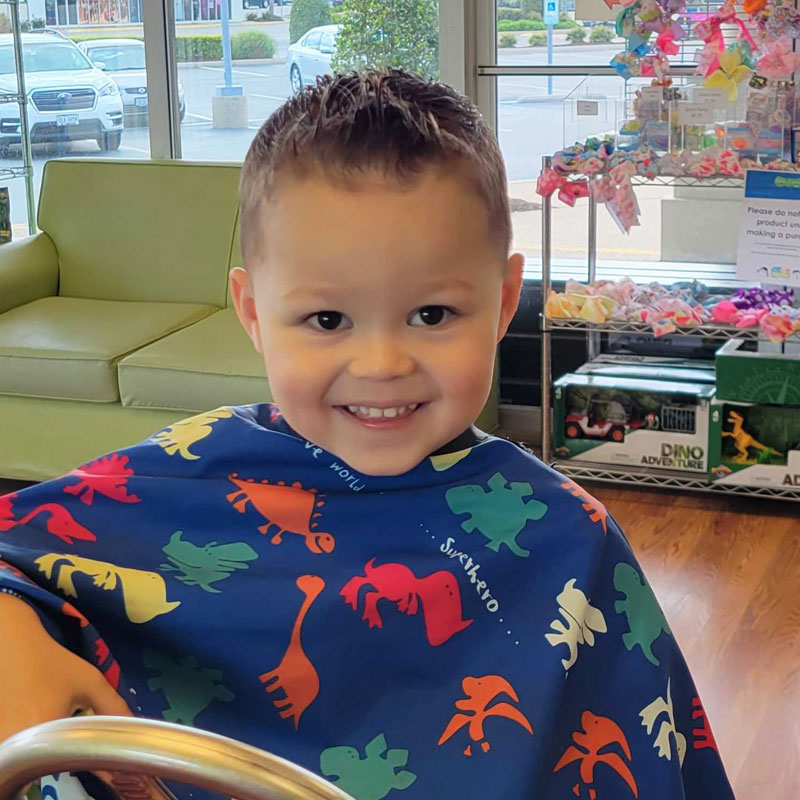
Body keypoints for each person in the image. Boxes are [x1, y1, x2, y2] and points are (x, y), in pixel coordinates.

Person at [0, 69, 733, 800]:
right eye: (327, 320)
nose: (382, 365)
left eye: (432, 315)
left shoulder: (569, 539)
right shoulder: (174, 477)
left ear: (505, 301)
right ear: (253, 313)